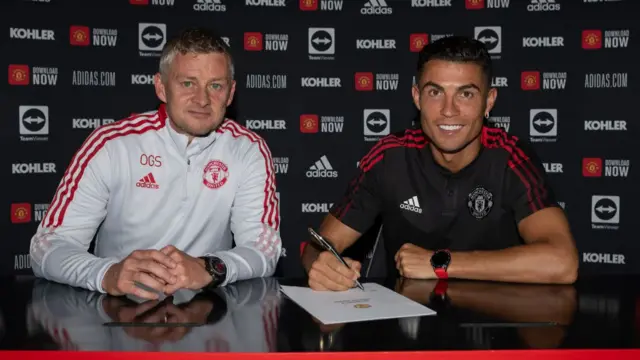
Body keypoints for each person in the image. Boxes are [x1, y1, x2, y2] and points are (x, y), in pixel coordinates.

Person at [302, 36, 578, 291]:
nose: (449, 110)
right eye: (435, 93)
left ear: (489, 101)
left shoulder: (510, 156)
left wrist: (439, 263)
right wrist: (321, 266)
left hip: (493, 325)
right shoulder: (389, 156)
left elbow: (562, 262)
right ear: (416, 97)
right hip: (407, 327)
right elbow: (319, 245)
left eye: (465, 94)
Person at [29, 27, 281, 300]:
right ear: (161, 87)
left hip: (207, 317)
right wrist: (108, 273)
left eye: (215, 86)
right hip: (117, 313)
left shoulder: (248, 149)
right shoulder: (112, 144)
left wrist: (210, 267)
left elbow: (263, 248)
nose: (202, 99)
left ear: (230, 94)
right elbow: (47, 245)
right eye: (188, 83)